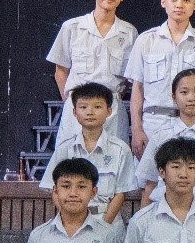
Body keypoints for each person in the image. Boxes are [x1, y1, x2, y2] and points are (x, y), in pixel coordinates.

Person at [46, 0, 137, 146]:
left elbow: (131, 79)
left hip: (112, 109)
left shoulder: (129, 32)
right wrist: (73, 103)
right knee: (73, 158)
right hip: (78, 107)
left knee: (113, 157)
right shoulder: (72, 27)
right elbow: (61, 71)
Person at [124, 0, 195, 152]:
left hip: (192, 122)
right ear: (163, 2)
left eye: (186, 0)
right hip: (153, 122)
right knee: (149, 170)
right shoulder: (146, 40)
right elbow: (137, 88)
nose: (179, 5)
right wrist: (136, 130)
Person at [40, 83, 135, 225]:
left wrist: (103, 226)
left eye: (97, 107)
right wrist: (72, 221)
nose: (90, 112)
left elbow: (121, 193)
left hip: (108, 222)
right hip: (72, 222)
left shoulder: (120, 149)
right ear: (74, 112)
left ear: (109, 111)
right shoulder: (65, 149)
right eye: (83, 107)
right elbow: (54, 189)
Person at [138, 70, 195, 208]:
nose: (191, 98)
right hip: (163, 213)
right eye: (184, 92)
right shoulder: (161, 137)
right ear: (174, 97)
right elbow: (150, 185)